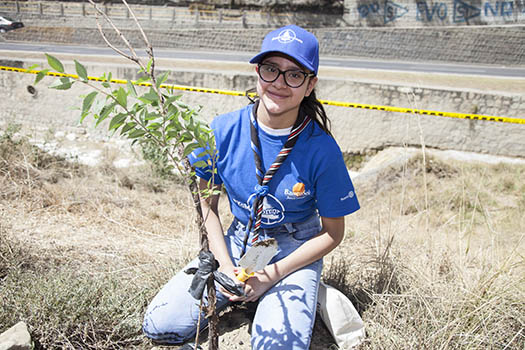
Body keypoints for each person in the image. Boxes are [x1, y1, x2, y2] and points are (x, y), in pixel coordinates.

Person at [142, 24, 360, 349]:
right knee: (160, 326)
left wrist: (270, 276)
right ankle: (248, 294)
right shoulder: (222, 130)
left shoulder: (322, 149)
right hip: (244, 244)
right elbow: (207, 206)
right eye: (271, 69)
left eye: (294, 75)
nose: (279, 83)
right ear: (257, 72)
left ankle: (297, 288)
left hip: (290, 245)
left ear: (310, 84)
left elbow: (332, 233)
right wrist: (228, 267)